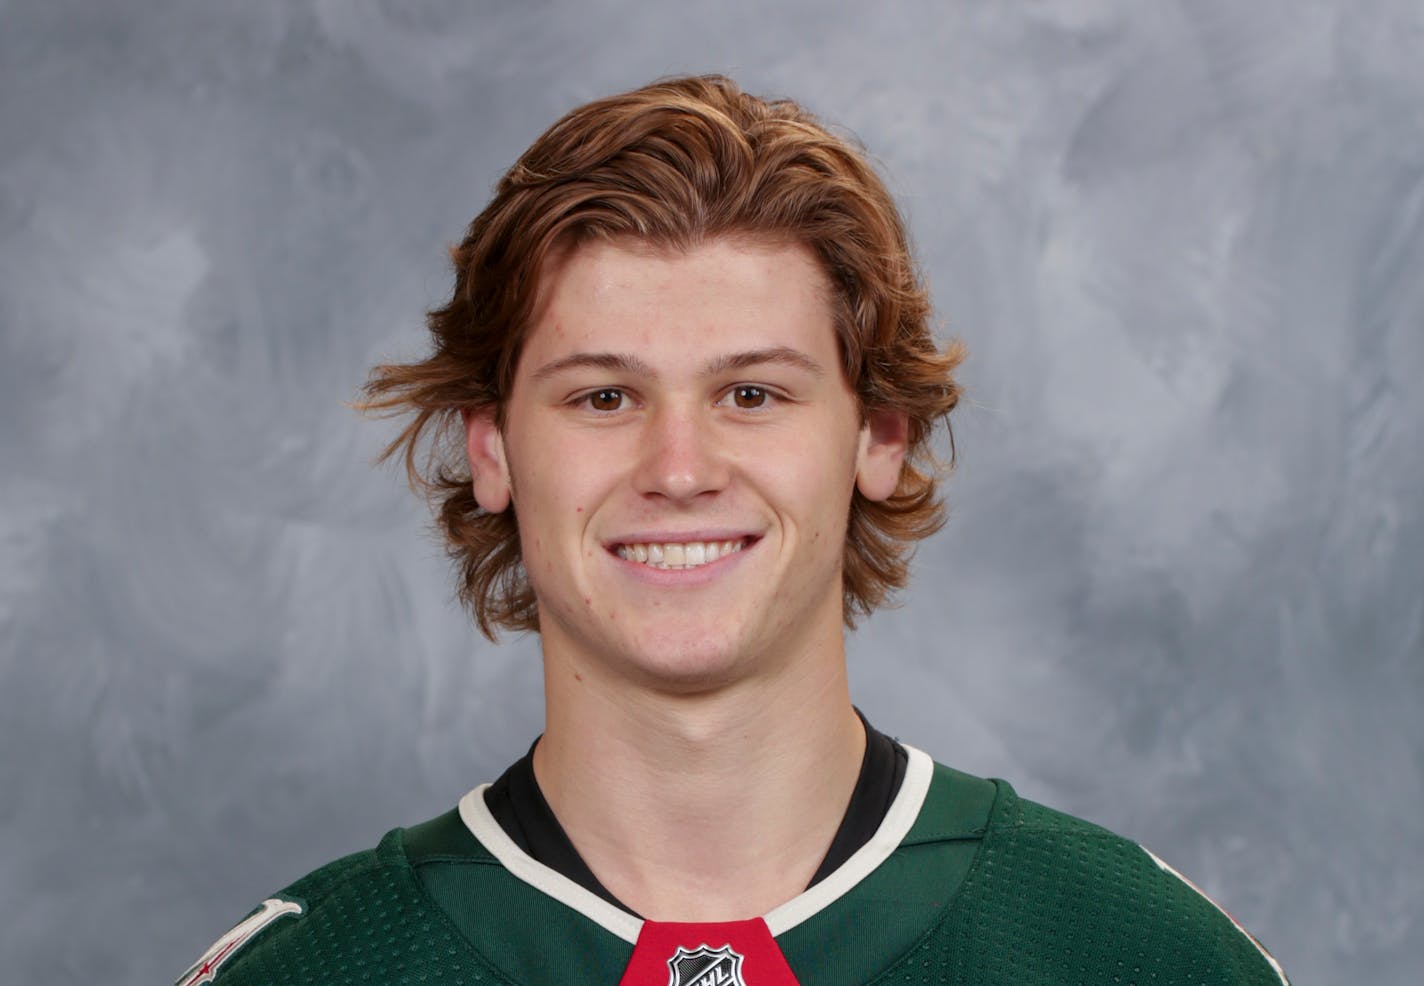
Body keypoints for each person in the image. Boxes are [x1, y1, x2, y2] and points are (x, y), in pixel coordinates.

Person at [178, 75, 1288, 986]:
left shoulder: (1137, 955)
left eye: (751, 393)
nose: (677, 469)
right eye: (602, 397)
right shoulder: (313, 969)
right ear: (493, 451)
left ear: (878, 436)